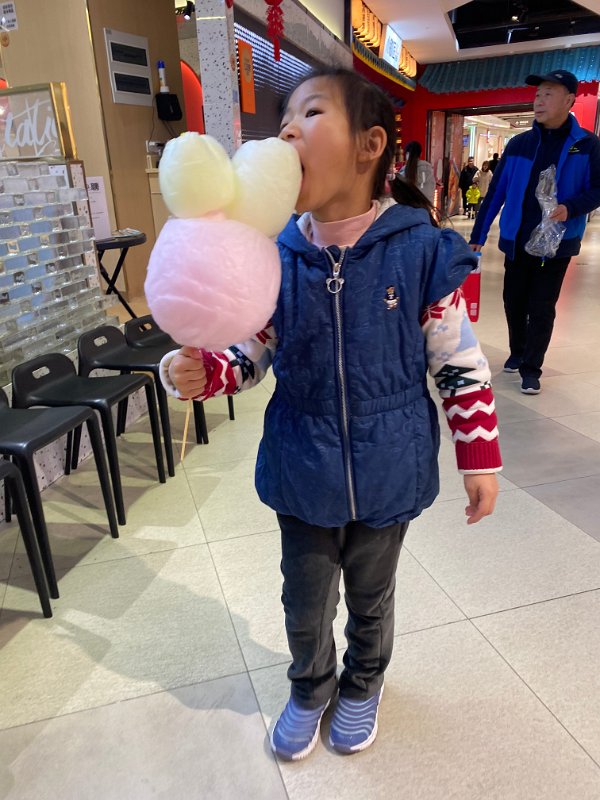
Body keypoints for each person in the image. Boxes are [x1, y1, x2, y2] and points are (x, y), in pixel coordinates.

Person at [160, 67, 501, 761]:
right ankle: (310, 688)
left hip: (389, 462)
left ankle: (363, 683)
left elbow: (458, 362)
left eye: (310, 113)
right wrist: (202, 369)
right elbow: (249, 351)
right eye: (285, 116)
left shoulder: (420, 252)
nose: (287, 129)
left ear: (369, 145)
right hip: (302, 465)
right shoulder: (274, 256)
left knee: (372, 597)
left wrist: (479, 455)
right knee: (305, 597)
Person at [470, 69, 600, 394]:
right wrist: (477, 236)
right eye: (538, 94)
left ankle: (532, 367)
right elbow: (496, 193)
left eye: (548, 94)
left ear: (569, 100)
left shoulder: (586, 144)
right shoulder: (519, 144)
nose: (539, 100)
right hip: (517, 240)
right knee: (513, 301)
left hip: (558, 242)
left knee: (542, 306)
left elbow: (598, 188)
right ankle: (517, 351)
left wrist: (571, 207)